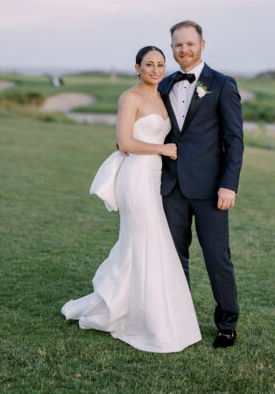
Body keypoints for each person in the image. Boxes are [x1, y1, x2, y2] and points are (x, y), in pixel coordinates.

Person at [61, 46, 201, 353]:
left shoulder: (161, 95)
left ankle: (143, 308)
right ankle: (138, 317)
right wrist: (161, 150)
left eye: (160, 64)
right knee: (146, 240)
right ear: (136, 67)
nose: (155, 69)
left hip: (155, 178)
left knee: (150, 243)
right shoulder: (130, 98)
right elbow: (124, 141)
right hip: (136, 177)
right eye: (149, 64)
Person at [158, 21, 244, 348]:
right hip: (171, 188)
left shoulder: (221, 84)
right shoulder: (164, 85)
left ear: (202, 44)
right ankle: (181, 318)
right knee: (174, 257)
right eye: (178, 45)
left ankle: (227, 324)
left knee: (217, 257)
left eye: (190, 44)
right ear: (172, 48)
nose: (184, 50)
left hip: (211, 190)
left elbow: (234, 140)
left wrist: (229, 185)